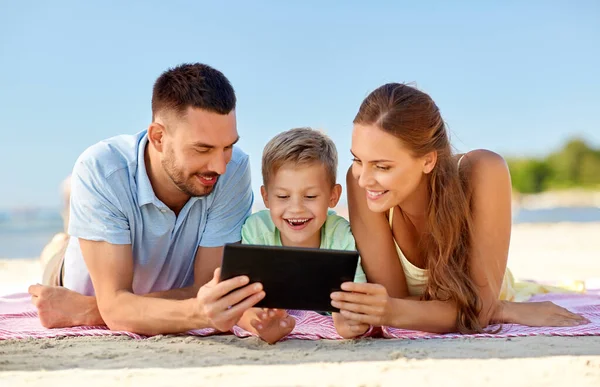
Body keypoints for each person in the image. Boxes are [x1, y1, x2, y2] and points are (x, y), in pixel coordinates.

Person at [28, 63, 266, 335]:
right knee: (58, 255)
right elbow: (119, 309)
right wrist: (197, 312)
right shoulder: (102, 168)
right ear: (158, 137)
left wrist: (94, 309)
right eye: (202, 148)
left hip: (124, 289)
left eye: (228, 146)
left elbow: (207, 288)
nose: (220, 166)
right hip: (69, 277)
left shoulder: (233, 169)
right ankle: (62, 243)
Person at [330, 83, 589, 333]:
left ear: (428, 160)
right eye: (357, 160)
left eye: (382, 166)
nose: (364, 178)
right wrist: (497, 310)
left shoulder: (482, 171)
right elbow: (396, 300)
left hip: (499, 288)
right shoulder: (361, 184)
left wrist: (482, 308)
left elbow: (472, 307)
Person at [236, 128, 369, 343]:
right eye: (283, 196)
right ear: (266, 197)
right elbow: (243, 303)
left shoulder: (339, 234)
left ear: (333, 196)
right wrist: (261, 325)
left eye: (310, 196)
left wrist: (350, 321)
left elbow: (357, 297)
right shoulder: (257, 229)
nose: (296, 208)